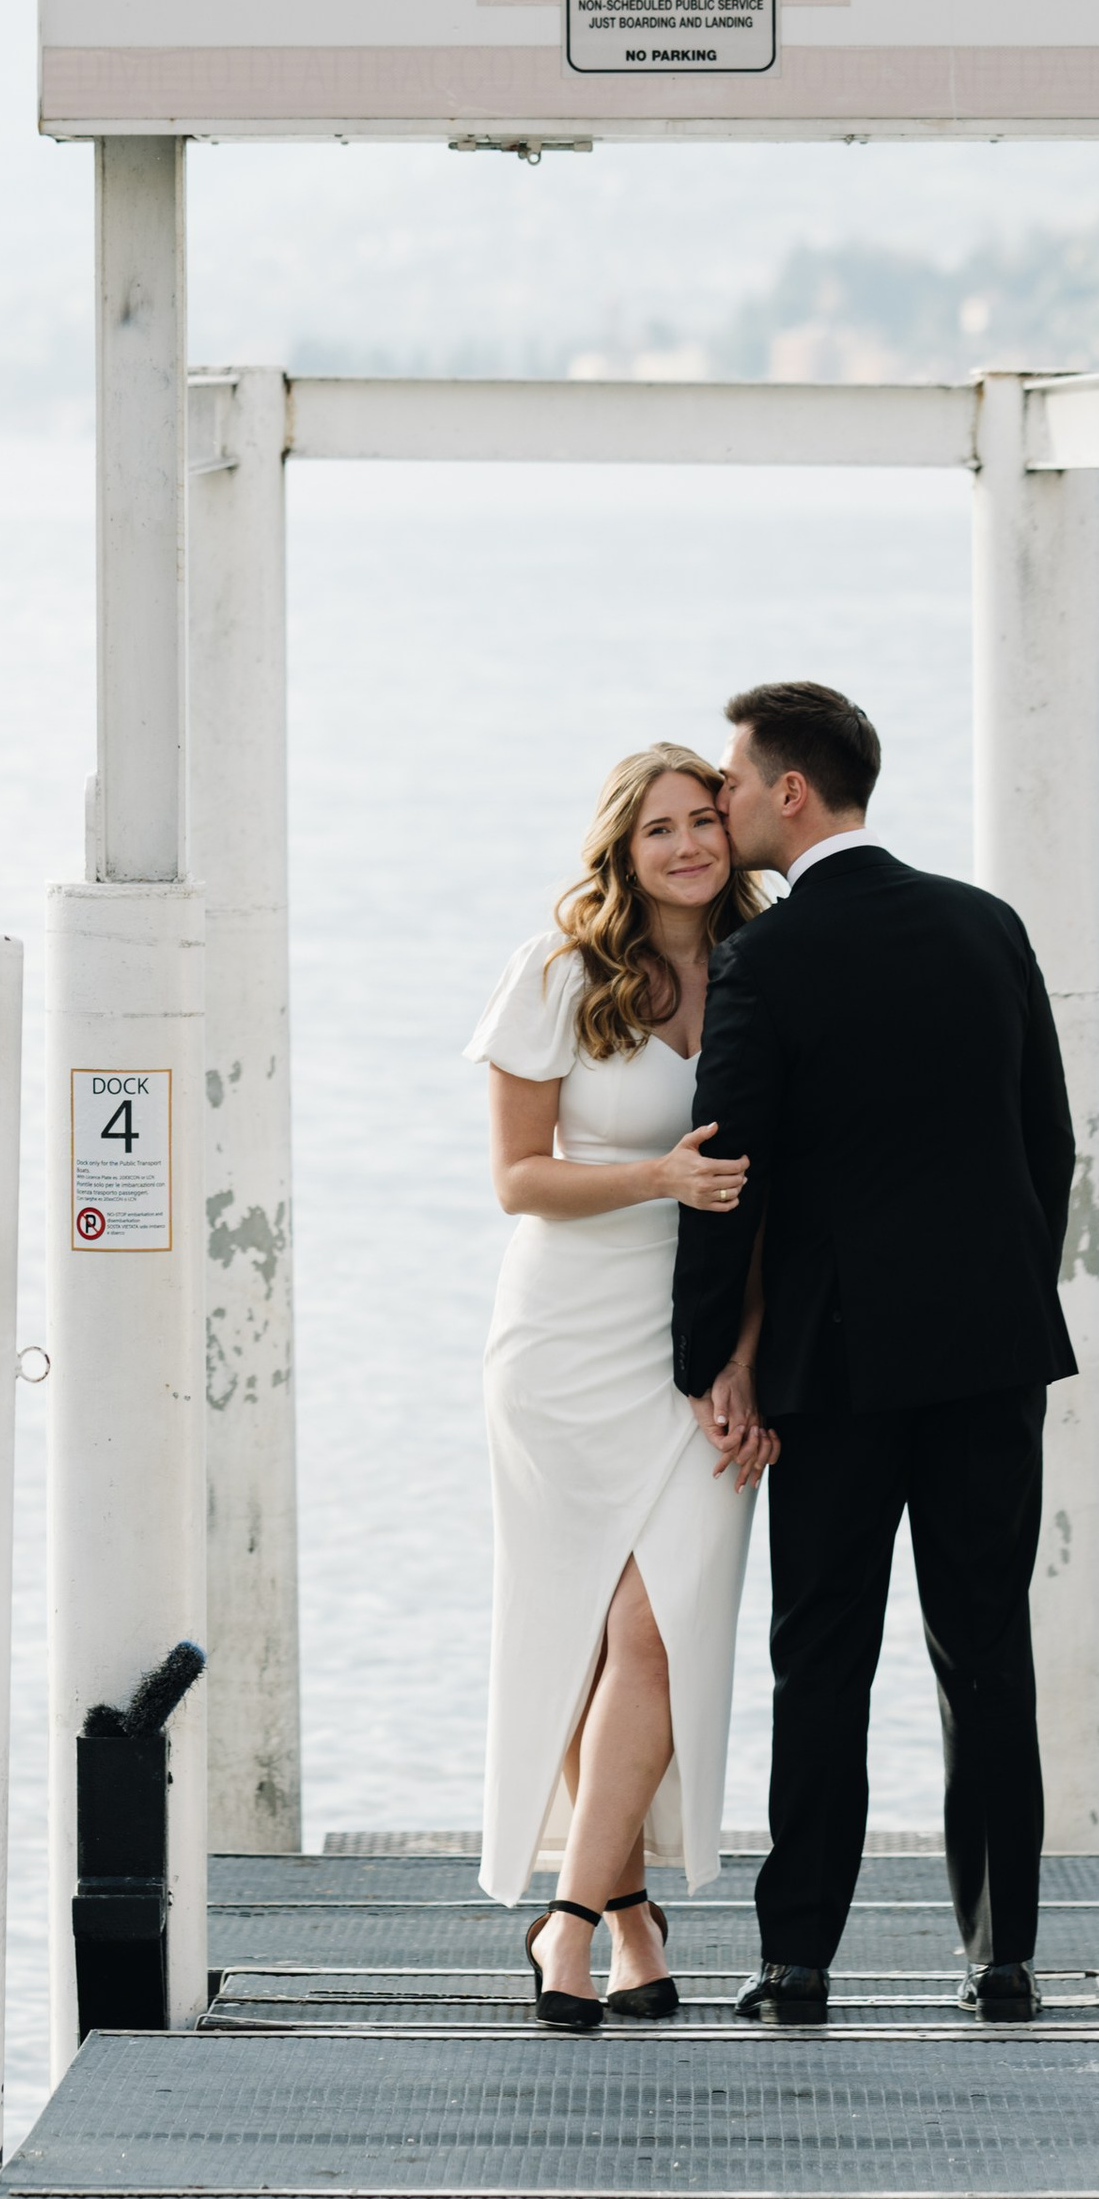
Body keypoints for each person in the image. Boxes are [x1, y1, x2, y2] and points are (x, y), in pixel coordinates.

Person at [671, 679, 1077, 2025]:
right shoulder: (986, 927)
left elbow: (726, 1173)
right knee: (985, 1649)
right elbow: (1048, 1144)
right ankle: (1003, 1952)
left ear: (792, 791)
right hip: (988, 1354)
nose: (722, 802)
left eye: (732, 780)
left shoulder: (767, 961)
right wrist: (1008, 1297)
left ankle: (798, 1960)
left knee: (823, 1656)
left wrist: (704, 1362)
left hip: (834, 1369)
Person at [466, 744, 776, 2031]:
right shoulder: (559, 975)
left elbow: (776, 1200)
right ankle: (621, 1915)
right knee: (587, 1633)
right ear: (622, 847)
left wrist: (745, 1362)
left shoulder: (770, 968)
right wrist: (656, 1179)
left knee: (660, 1629)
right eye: (661, 827)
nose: (690, 843)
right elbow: (517, 1177)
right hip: (565, 1343)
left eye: (706, 817)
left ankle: (573, 1921)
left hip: (701, 1345)